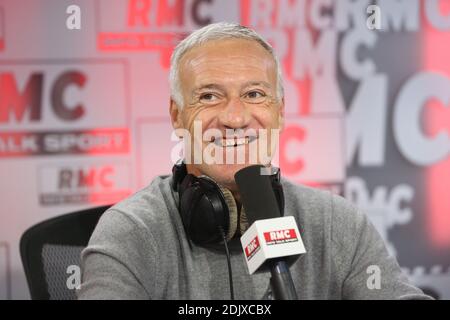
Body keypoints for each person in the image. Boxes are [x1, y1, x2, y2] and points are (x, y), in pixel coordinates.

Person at [77, 22, 430, 300]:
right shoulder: (130, 232)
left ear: (279, 112)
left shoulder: (337, 223)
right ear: (177, 115)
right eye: (209, 95)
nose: (234, 117)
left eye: (254, 94)